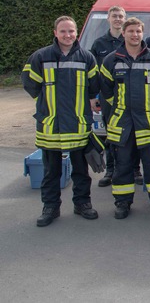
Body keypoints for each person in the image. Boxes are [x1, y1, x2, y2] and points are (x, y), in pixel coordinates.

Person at [23, 15, 100, 226]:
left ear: (76, 33)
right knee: (51, 172)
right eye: (63, 31)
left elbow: (94, 87)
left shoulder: (87, 58)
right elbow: (30, 85)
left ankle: (82, 204)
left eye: (71, 31)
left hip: (78, 125)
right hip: (51, 126)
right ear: (55, 33)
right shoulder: (41, 57)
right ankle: (50, 207)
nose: (68, 35)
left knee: (81, 172)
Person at [100, 17, 150, 219]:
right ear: (123, 33)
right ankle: (122, 203)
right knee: (123, 166)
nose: (134, 35)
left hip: (148, 123)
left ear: (143, 33)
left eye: (138, 31)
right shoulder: (111, 60)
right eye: (130, 31)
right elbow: (105, 91)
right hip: (122, 124)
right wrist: (121, 108)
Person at [90, 6, 142, 188]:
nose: (118, 19)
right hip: (108, 100)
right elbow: (95, 74)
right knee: (110, 136)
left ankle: (135, 170)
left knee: (133, 135)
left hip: (130, 100)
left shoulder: (131, 39)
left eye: (121, 16)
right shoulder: (98, 44)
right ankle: (110, 171)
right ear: (108, 19)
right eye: (115, 16)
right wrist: (93, 97)